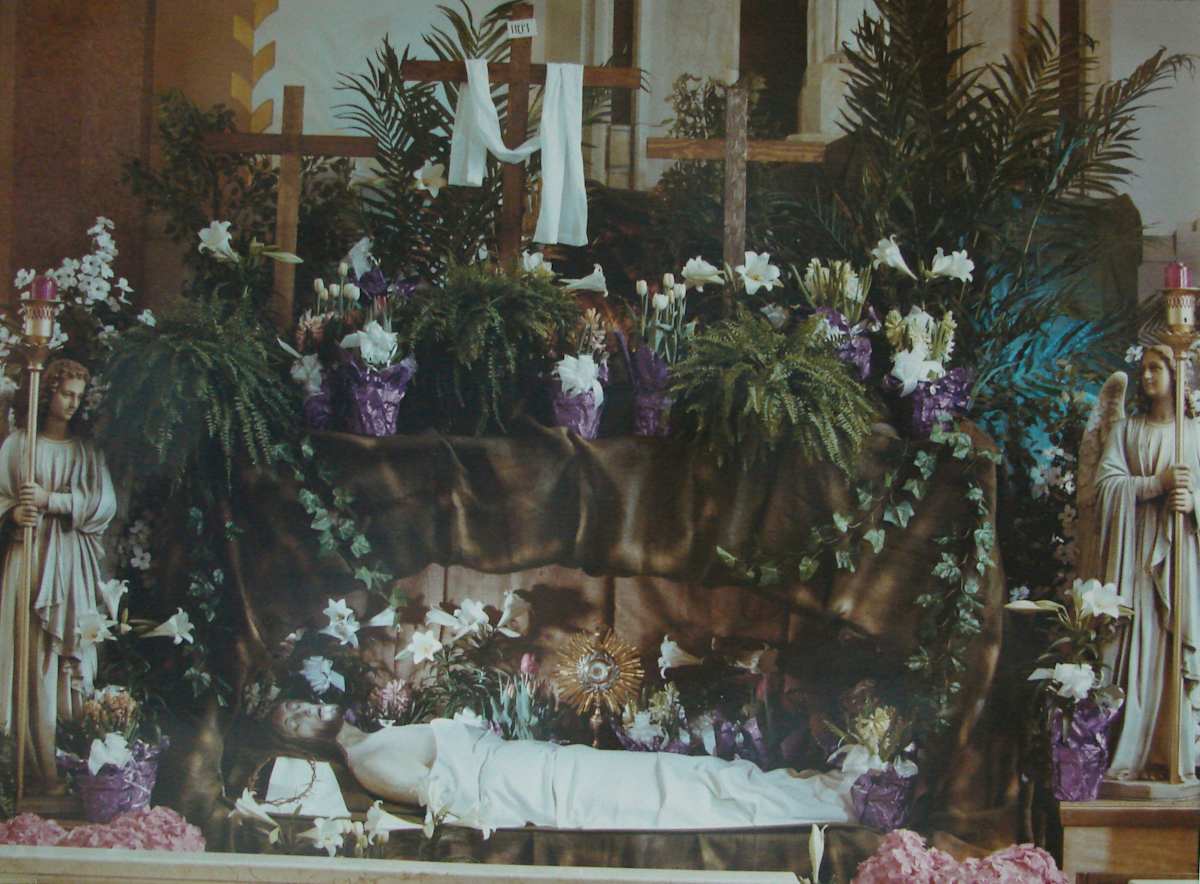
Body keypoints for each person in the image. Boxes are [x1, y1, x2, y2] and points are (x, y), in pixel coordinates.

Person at [270, 700, 856, 831]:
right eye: (293, 720)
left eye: (298, 703)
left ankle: (820, 791)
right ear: (304, 741)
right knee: (678, 798)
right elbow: (444, 798)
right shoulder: (365, 759)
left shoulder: (378, 730)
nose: (305, 711)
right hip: (533, 788)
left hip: (540, 764)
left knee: (680, 777)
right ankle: (827, 803)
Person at [0, 359, 116, 787]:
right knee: (24, 649)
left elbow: (104, 505)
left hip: (68, 565)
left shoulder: (86, 452)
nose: (72, 403)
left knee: (64, 655)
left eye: (78, 397)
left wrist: (53, 500)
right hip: (26, 560)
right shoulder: (18, 445)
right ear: (46, 392)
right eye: (66, 393)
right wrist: (14, 511)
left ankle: (62, 758)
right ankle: (22, 764)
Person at [1093, 344, 1200, 780]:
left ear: (1178, 375)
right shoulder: (1126, 431)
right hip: (1136, 559)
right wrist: (1155, 484)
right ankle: (1133, 753)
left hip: (1181, 557)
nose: (1148, 376)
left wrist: (1192, 502)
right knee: (1137, 646)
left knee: (1173, 649)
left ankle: (1172, 753)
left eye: (1157, 368)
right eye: (1144, 369)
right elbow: (1104, 489)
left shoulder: (1194, 434)